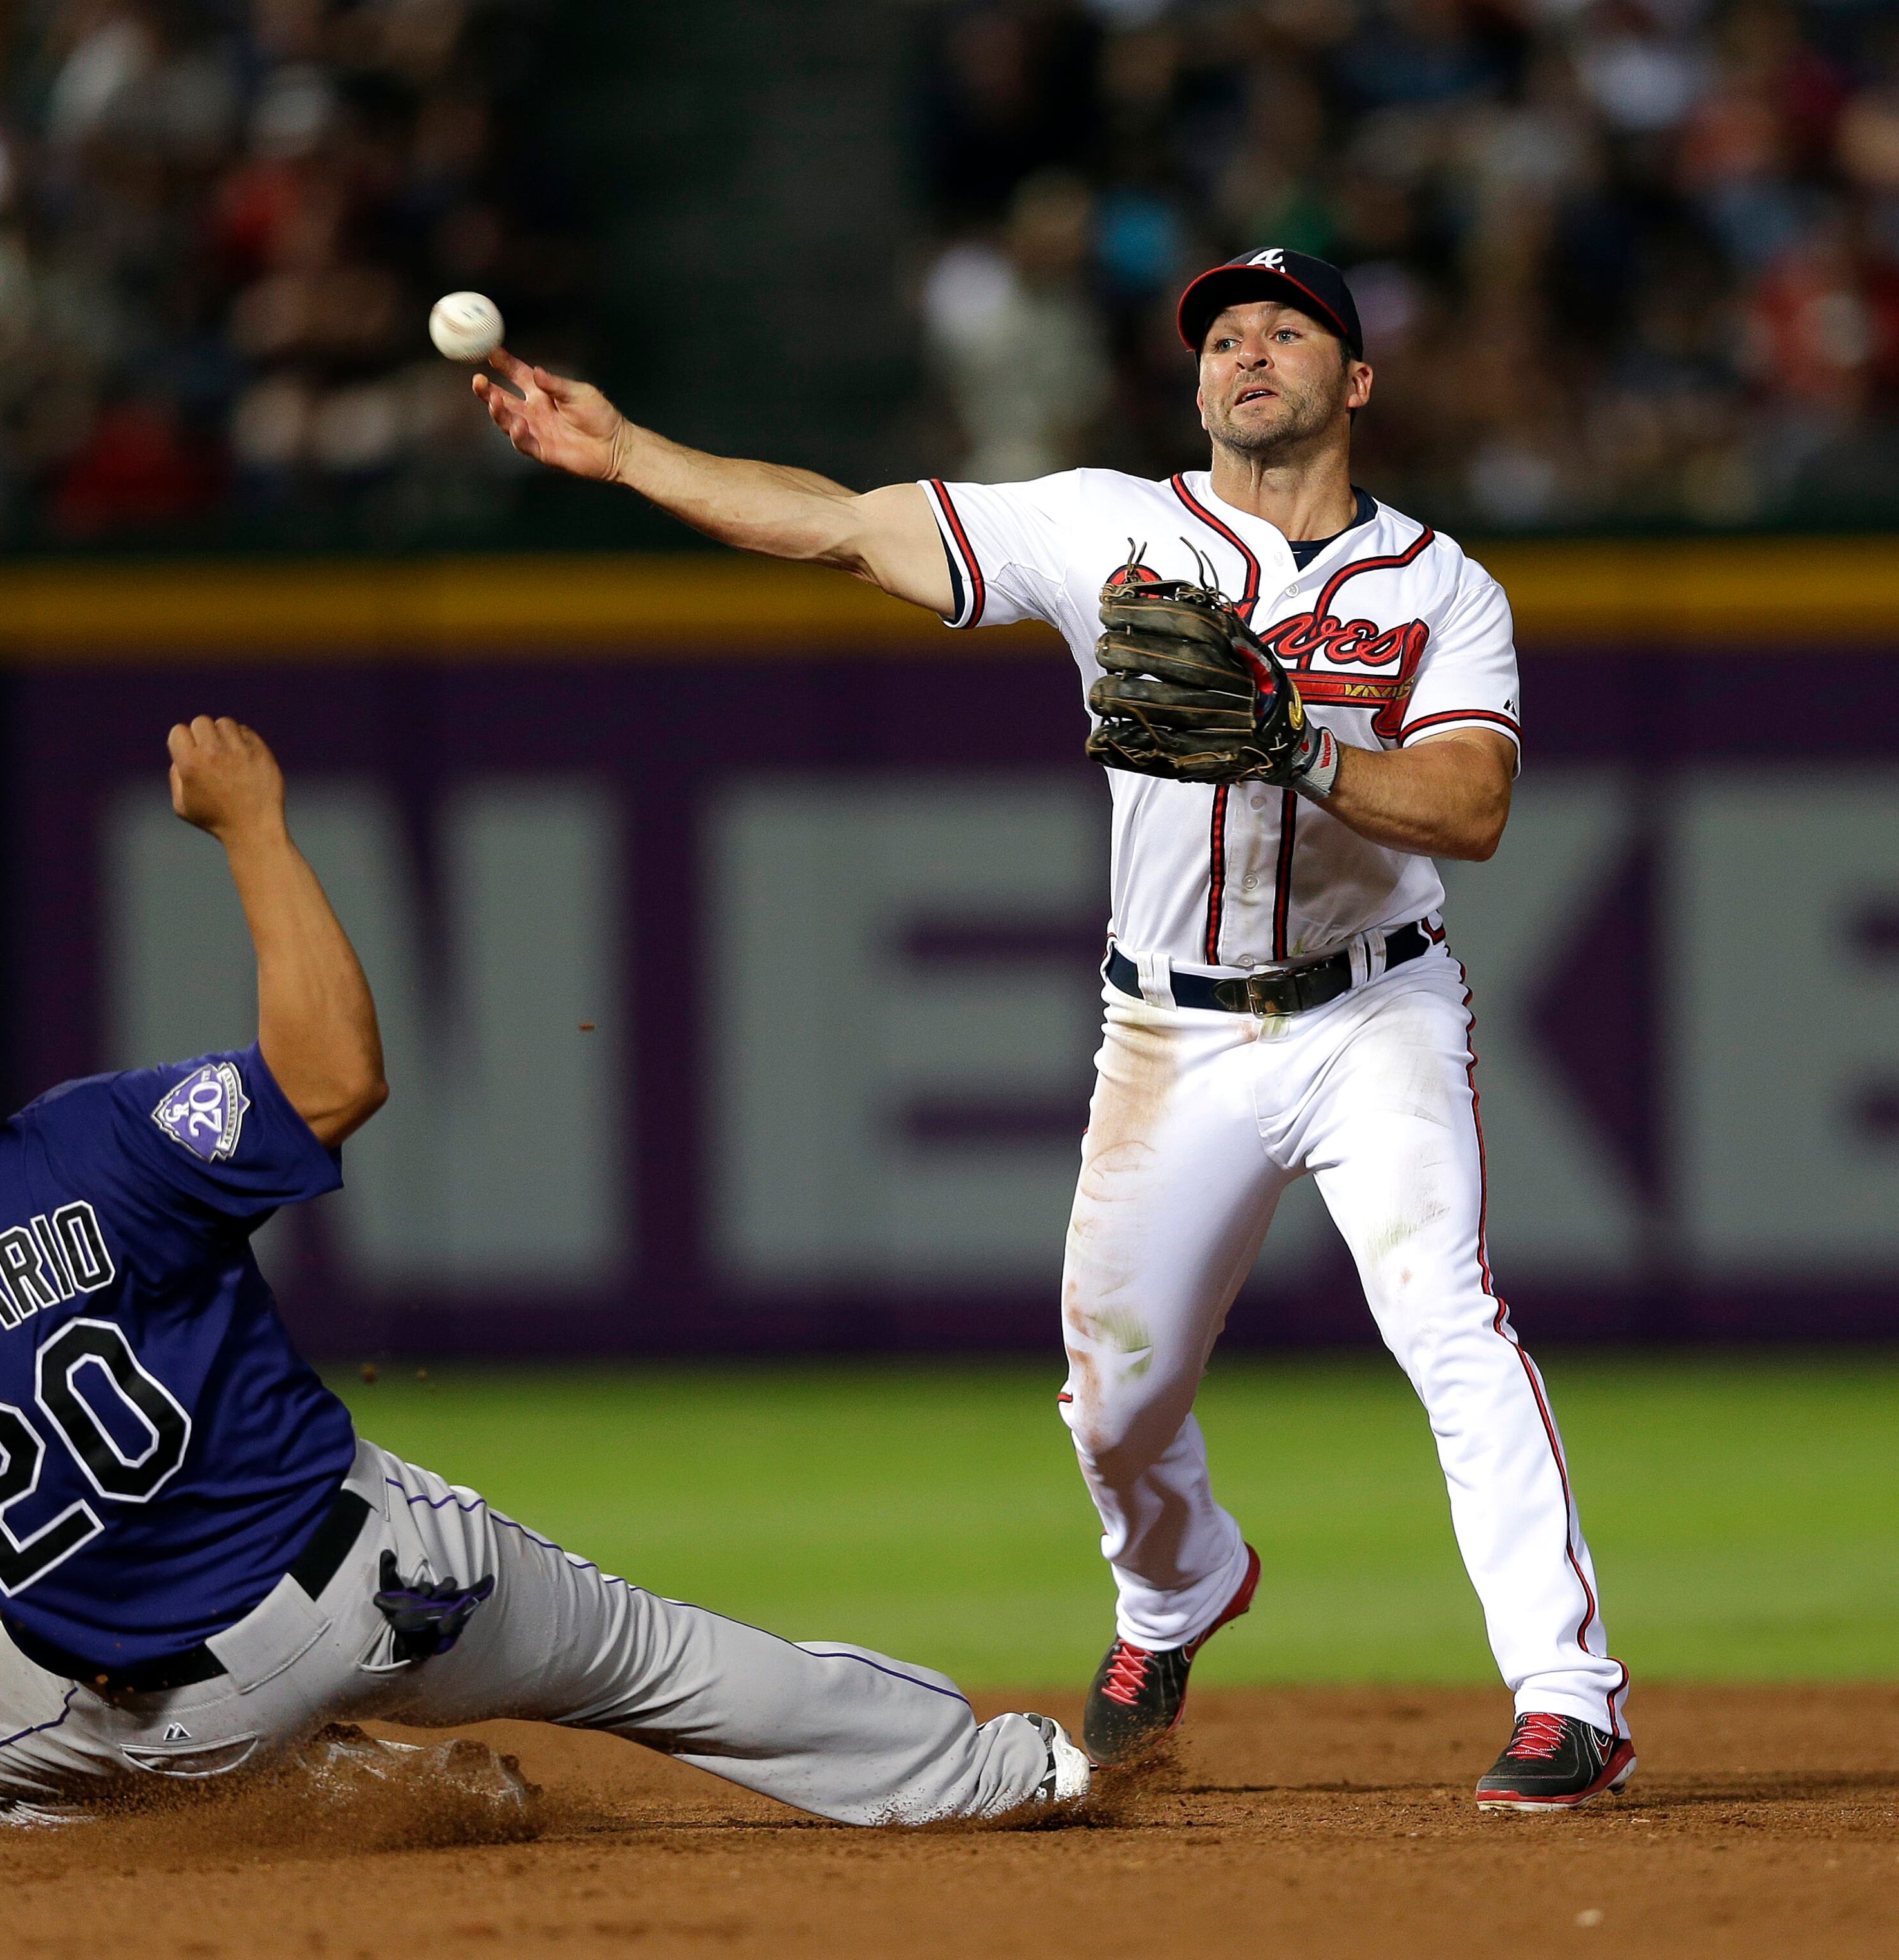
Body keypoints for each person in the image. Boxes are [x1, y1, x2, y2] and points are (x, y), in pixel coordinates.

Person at [0, 716, 1086, 1843]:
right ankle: (1007, 1771)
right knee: (671, 1664)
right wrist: (252, 828)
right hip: (404, 1575)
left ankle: (357, 1800)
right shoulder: (96, 1142)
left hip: (194, 1715)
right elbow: (333, 1077)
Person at [472, 248, 1632, 1813]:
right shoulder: (1110, 527)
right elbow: (839, 524)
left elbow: (1474, 807)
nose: (1249, 352)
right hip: (1170, 1036)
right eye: (1223, 333)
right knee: (1114, 1404)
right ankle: (1176, 1591)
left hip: (1376, 1010)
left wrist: (1295, 743)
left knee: (1450, 1324)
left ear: (1356, 380)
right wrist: (626, 454)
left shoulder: (1442, 587)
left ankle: (1570, 1693)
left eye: (1289, 330)